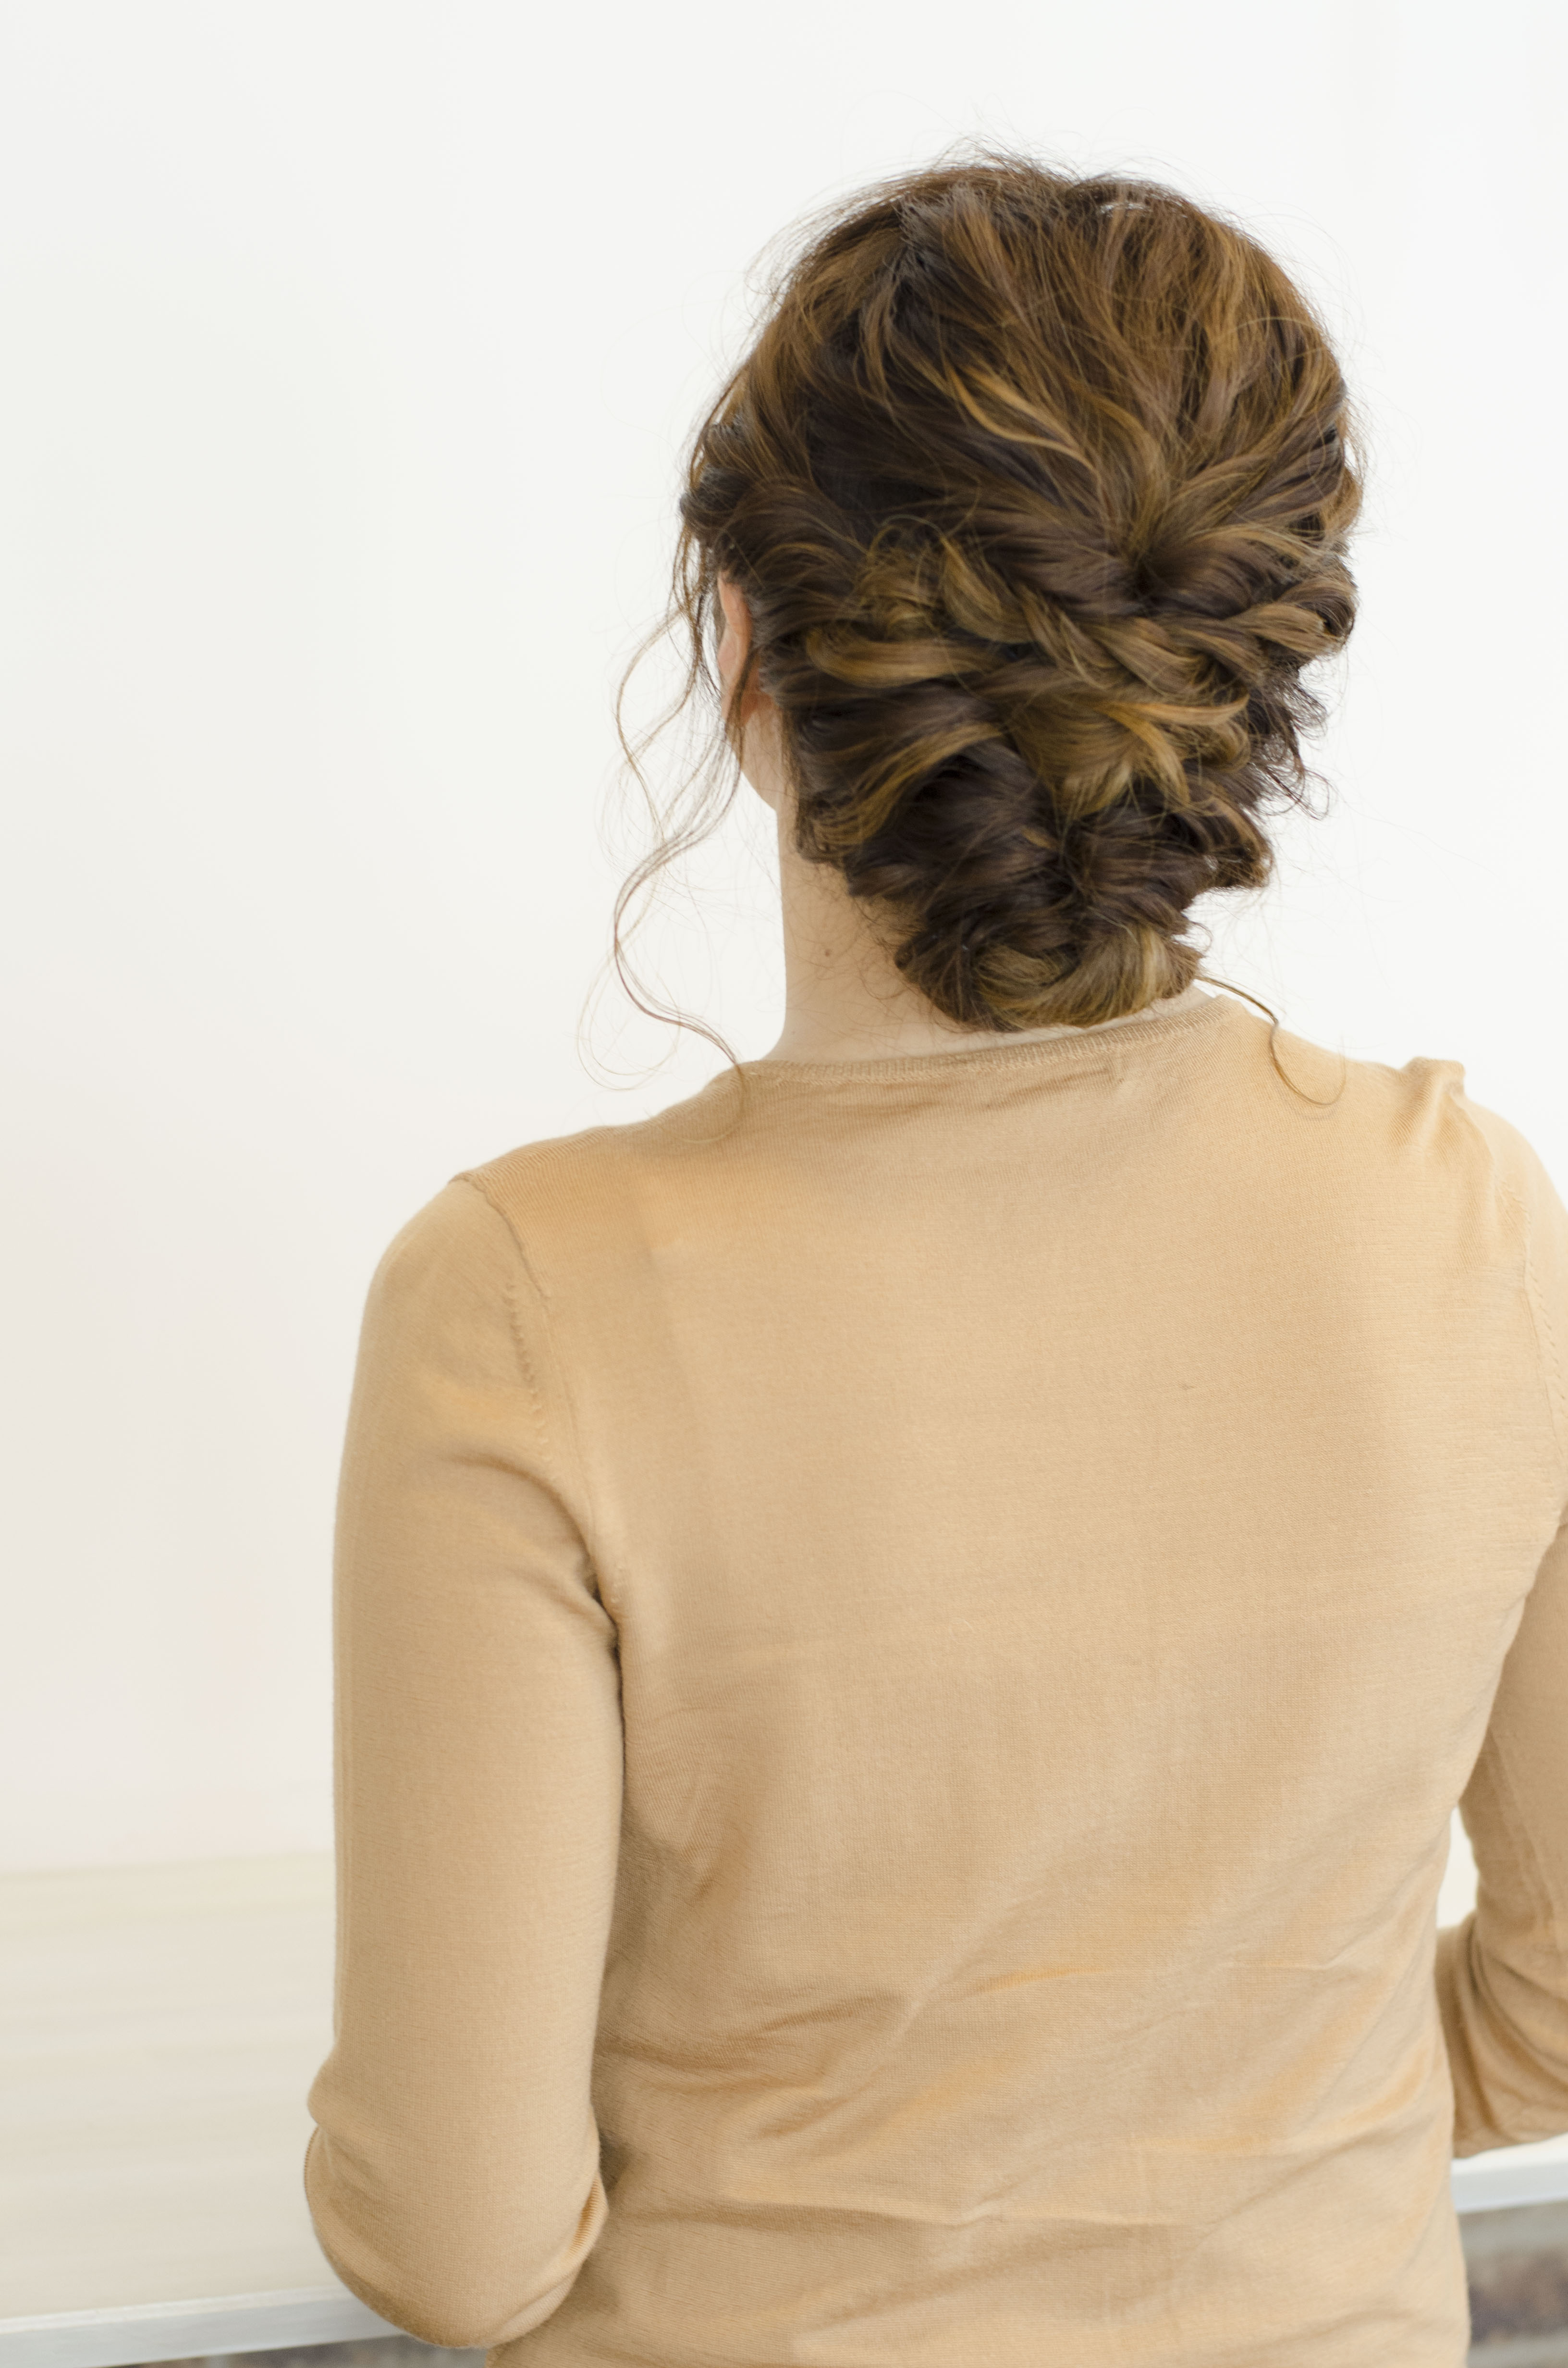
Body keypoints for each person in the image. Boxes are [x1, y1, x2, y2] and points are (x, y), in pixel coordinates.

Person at [303, 155, 1568, 2368]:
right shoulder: (1472, 1223)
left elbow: (461, 2238)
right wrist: (1227, 2142)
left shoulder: (520, 1300)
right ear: (1233, 678)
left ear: (742, 644)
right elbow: (1555, 2021)